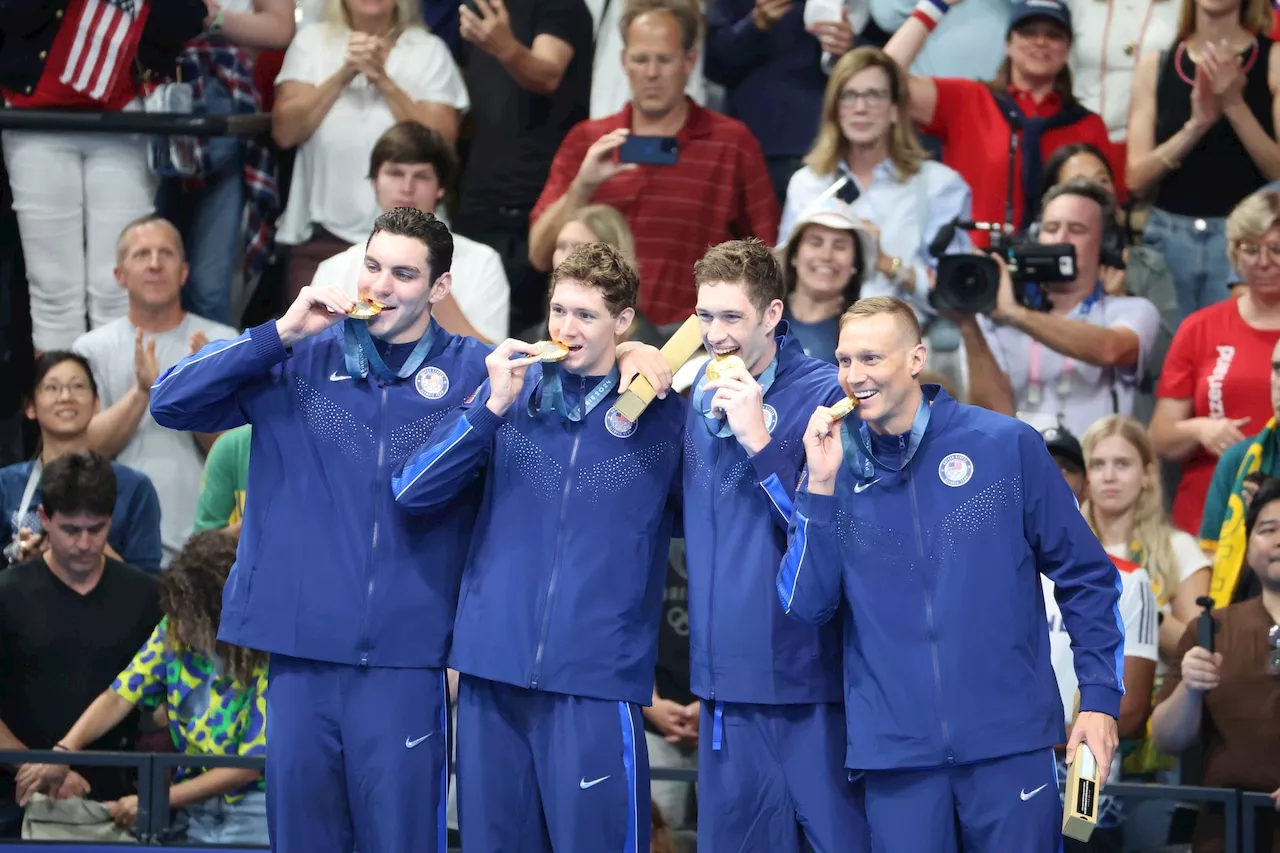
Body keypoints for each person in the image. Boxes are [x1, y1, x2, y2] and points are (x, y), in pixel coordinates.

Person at [148, 208, 492, 853]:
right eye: (372, 266)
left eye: (404, 274)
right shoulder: (299, 355)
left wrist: (638, 349)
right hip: (302, 655)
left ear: (439, 288)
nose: (381, 286)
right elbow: (169, 402)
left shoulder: (479, 371)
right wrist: (278, 331)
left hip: (406, 663)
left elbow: (584, 382)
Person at [778, 295, 1125, 852]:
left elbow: (1087, 575)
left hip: (1008, 744)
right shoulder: (830, 467)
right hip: (896, 756)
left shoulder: (1005, 446)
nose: (853, 376)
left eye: (871, 359)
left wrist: (1101, 699)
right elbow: (808, 605)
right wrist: (818, 490)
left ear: (916, 359)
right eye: (844, 361)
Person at [392, 242, 685, 853]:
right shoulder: (509, 394)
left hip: (596, 682)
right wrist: (490, 407)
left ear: (623, 322)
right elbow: (414, 491)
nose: (566, 329)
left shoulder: (662, 417)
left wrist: (652, 364)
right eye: (559, 311)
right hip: (490, 674)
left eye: (587, 315)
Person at [683, 240, 869, 850]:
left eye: (732, 317)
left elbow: (834, 540)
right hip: (722, 692)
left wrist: (761, 442)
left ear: (772, 315)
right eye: (705, 316)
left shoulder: (826, 396)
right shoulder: (694, 396)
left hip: (810, 689)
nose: (715, 334)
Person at [15, 530, 270, 846]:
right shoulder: (173, 630)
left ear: (219, 614)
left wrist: (160, 799)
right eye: (175, 610)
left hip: (256, 811)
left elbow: (246, 768)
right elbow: (121, 694)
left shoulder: (268, 657)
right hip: (195, 807)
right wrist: (64, 750)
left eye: (190, 614)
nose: (178, 623)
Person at [0, 452, 160, 837]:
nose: (85, 543)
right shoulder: (7, 596)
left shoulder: (145, 596)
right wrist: (35, 767)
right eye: (71, 530)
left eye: (97, 529)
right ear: (45, 518)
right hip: (17, 802)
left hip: (121, 805)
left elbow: (163, 704)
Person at [885, 0, 1115, 242]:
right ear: (1007, 44)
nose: (1040, 41)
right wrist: (933, 8)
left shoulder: (1088, 125)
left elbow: (1108, 212)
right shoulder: (967, 101)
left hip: (1059, 270)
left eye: (1053, 35)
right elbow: (877, 81)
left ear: (1067, 50)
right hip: (975, 264)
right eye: (1028, 32)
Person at [1150, 476, 1280, 852]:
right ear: (1248, 544)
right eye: (1267, 529)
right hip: (1226, 832)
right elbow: (1167, 738)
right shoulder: (1210, 630)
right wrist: (1189, 689)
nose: (1278, 540)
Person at [1149, 189, 1280, 539]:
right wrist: (1199, 429)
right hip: (1208, 511)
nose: (1264, 262)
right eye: (1250, 250)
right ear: (1234, 254)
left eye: (1276, 250)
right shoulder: (1200, 327)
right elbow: (1160, 436)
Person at [310, 121, 510, 343]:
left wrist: (431, 284)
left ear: (441, 188)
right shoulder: (335, 268)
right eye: (395, 174)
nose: (407, 188)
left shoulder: (483, 262)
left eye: (421, 176)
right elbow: (315, 355)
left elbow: (492, 360)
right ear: (375, 182)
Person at [1, 351, 161, 572]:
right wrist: (20, 563)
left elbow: (150, 587)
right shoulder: (5, 485)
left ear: (96, 403)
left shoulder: (133, 487)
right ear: (30, 407)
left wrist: (86, 545)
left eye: (78, 386)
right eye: (52, 388)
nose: (66, 396)